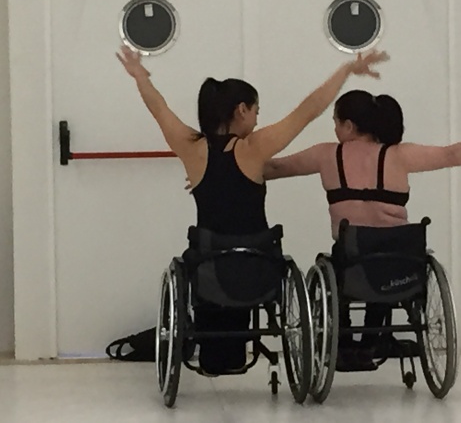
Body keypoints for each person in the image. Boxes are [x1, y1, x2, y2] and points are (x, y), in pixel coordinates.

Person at [116, 47, 390, 374]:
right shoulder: (254, 148)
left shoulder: (191, 148)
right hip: (259, 266)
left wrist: (140, 76)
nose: (258, 117)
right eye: (256, 110)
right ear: (241, 110)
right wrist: (345, 70)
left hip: (210, 268)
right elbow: (308, 110)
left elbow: (158, 107)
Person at [264, 89, 461, 369]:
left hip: (352, 257)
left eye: (336, 122)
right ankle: (376, 339)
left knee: (340, 263)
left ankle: (344, 342)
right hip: (401, 259)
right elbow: (453, 154)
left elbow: (275, 168)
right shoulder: (399, 155)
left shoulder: (326, 155)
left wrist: (238, 158)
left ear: (348, 126)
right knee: (384, 256)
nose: (335, 129)